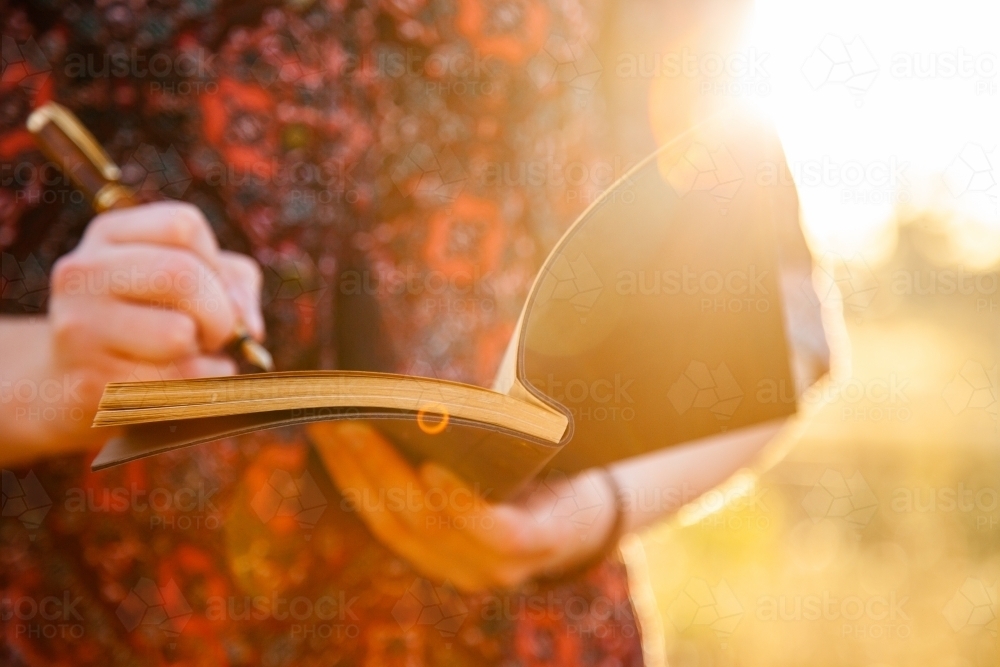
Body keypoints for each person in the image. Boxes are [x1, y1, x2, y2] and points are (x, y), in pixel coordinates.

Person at [0, 0, 829, 663]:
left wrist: (586, 515)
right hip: (97, 625)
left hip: (515, 632)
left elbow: (785, 326)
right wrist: (52, 377)